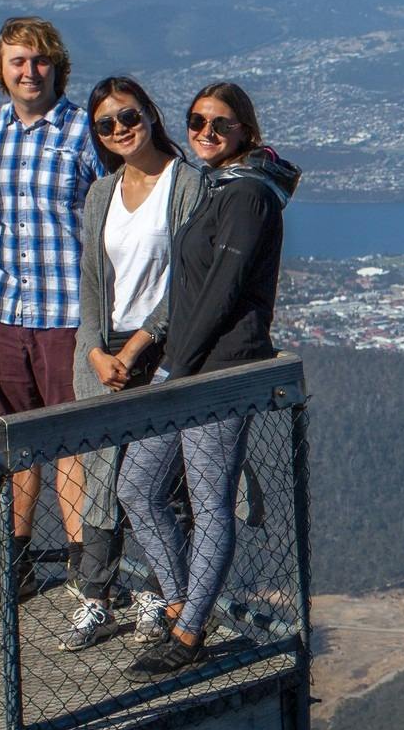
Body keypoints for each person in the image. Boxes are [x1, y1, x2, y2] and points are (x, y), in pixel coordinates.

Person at [117, 81, 299, 678]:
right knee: (137, 486)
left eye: (220, 124)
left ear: (245, 130)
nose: (206, 133)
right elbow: (191, 289)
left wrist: (177, 368)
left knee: (209, 500)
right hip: (188, 364)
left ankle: (190, 630)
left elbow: (221, 292)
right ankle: (180, 606)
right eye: (197, 122)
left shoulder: (248, 197)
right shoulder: (221, 186)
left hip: (218, 371)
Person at [57, 74, 205, 650]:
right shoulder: (103, 193)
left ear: (150, 114)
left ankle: (157, 592)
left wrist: (138, 345)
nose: (119, 129)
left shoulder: (186, 185)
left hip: (162, 350)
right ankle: (95, 596)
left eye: (128, 117)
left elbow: (189, 281)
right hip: (106, 350)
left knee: (155, 483)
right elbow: (92, 280)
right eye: (106, 124)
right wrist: (95, 349)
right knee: (101, 473)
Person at [0, 16, 104, 606]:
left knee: (72, 441)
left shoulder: (82, 131)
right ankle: (14, 561)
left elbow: (114, 209)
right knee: (13, 442)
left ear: (58, 67)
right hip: (1, 308)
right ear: (0, 70)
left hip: (66, 311)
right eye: (18, 61)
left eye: (40, 60)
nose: (30, 71)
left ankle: (84, 569)